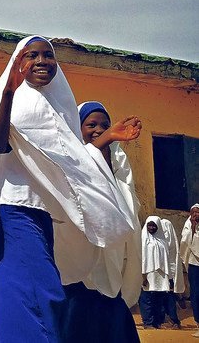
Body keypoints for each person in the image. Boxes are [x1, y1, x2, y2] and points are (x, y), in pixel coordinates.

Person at [0, 35, 137, 342]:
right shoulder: (15, 99)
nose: (42, 61)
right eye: (32, 55)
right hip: (14, 212)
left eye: (48, 55)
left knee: (40, 293)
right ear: (19, 62)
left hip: (44, 216)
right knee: (29, 292)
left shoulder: (60, 109)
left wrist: (106, 139)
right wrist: (8, 91)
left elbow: (74, 158)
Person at [59, 101, 142, 342]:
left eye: (105, 125)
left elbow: (128, 202)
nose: (99, 129)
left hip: (112, 260)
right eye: (91, 125)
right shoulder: (69, 159)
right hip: (79, 263)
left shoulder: (120, 161)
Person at [139, 216, 173, 329]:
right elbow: (142, 258)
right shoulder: (143, 240)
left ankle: (158, 321)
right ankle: (148, 322)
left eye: (154, 225)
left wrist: (168, 276)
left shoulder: (162, 241)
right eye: (149, 225)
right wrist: (143, 275)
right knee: (146, 298)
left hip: (161, 275)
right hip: (148, 274)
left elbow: (166, 260)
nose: (151, 227)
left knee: (159, 299)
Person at [160, 217, 184, 329]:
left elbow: (173, 263)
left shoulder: (171, 245)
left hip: (169, 275)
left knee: (170, 298)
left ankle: (174, 320)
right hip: (161, 275)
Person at [180, 204, 199, 338]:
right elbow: (185, 243)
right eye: (193, 212)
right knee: (196, 294)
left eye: (197, 212)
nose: (195, 215)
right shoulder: (188, 226)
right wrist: (192, 229)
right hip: (194, 264)